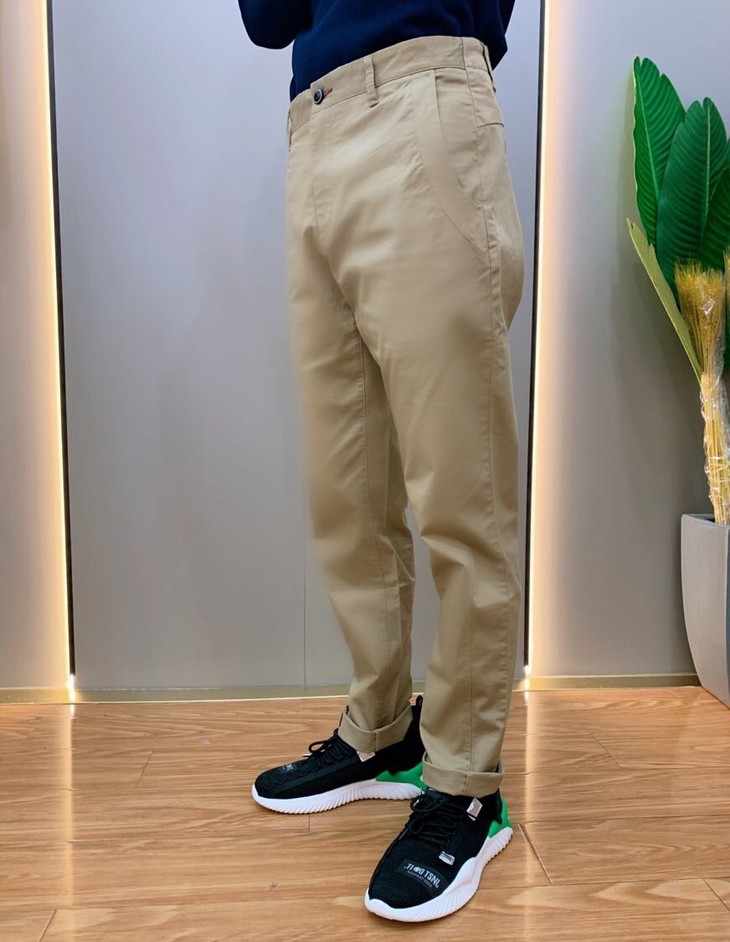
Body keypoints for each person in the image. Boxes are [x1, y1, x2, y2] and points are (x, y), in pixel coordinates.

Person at [236, 0, 524, 923]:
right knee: (346, 488)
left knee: (462, 488)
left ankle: (467, 783)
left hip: (421, 97)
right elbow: (266, 19)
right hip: (312, 127)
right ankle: (382, 729)